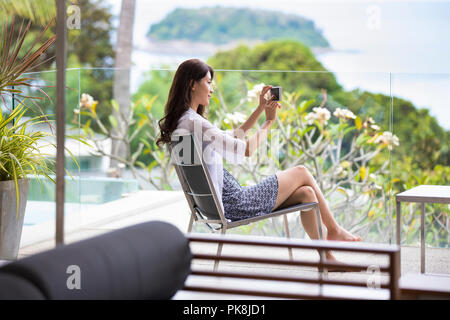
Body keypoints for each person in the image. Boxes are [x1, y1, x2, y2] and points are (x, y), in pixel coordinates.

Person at [156, 58, 361, 267]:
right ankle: (334, 231)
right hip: (236, 204)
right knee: (301, 171)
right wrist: (268, 122)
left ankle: (327, 259)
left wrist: (260, 108)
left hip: (218, 205)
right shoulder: (195, 123)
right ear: (192, 84)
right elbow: (246, 149)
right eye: (208, 82)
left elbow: (234, 137)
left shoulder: (185, 121)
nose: (211, 90)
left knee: (307, 194)